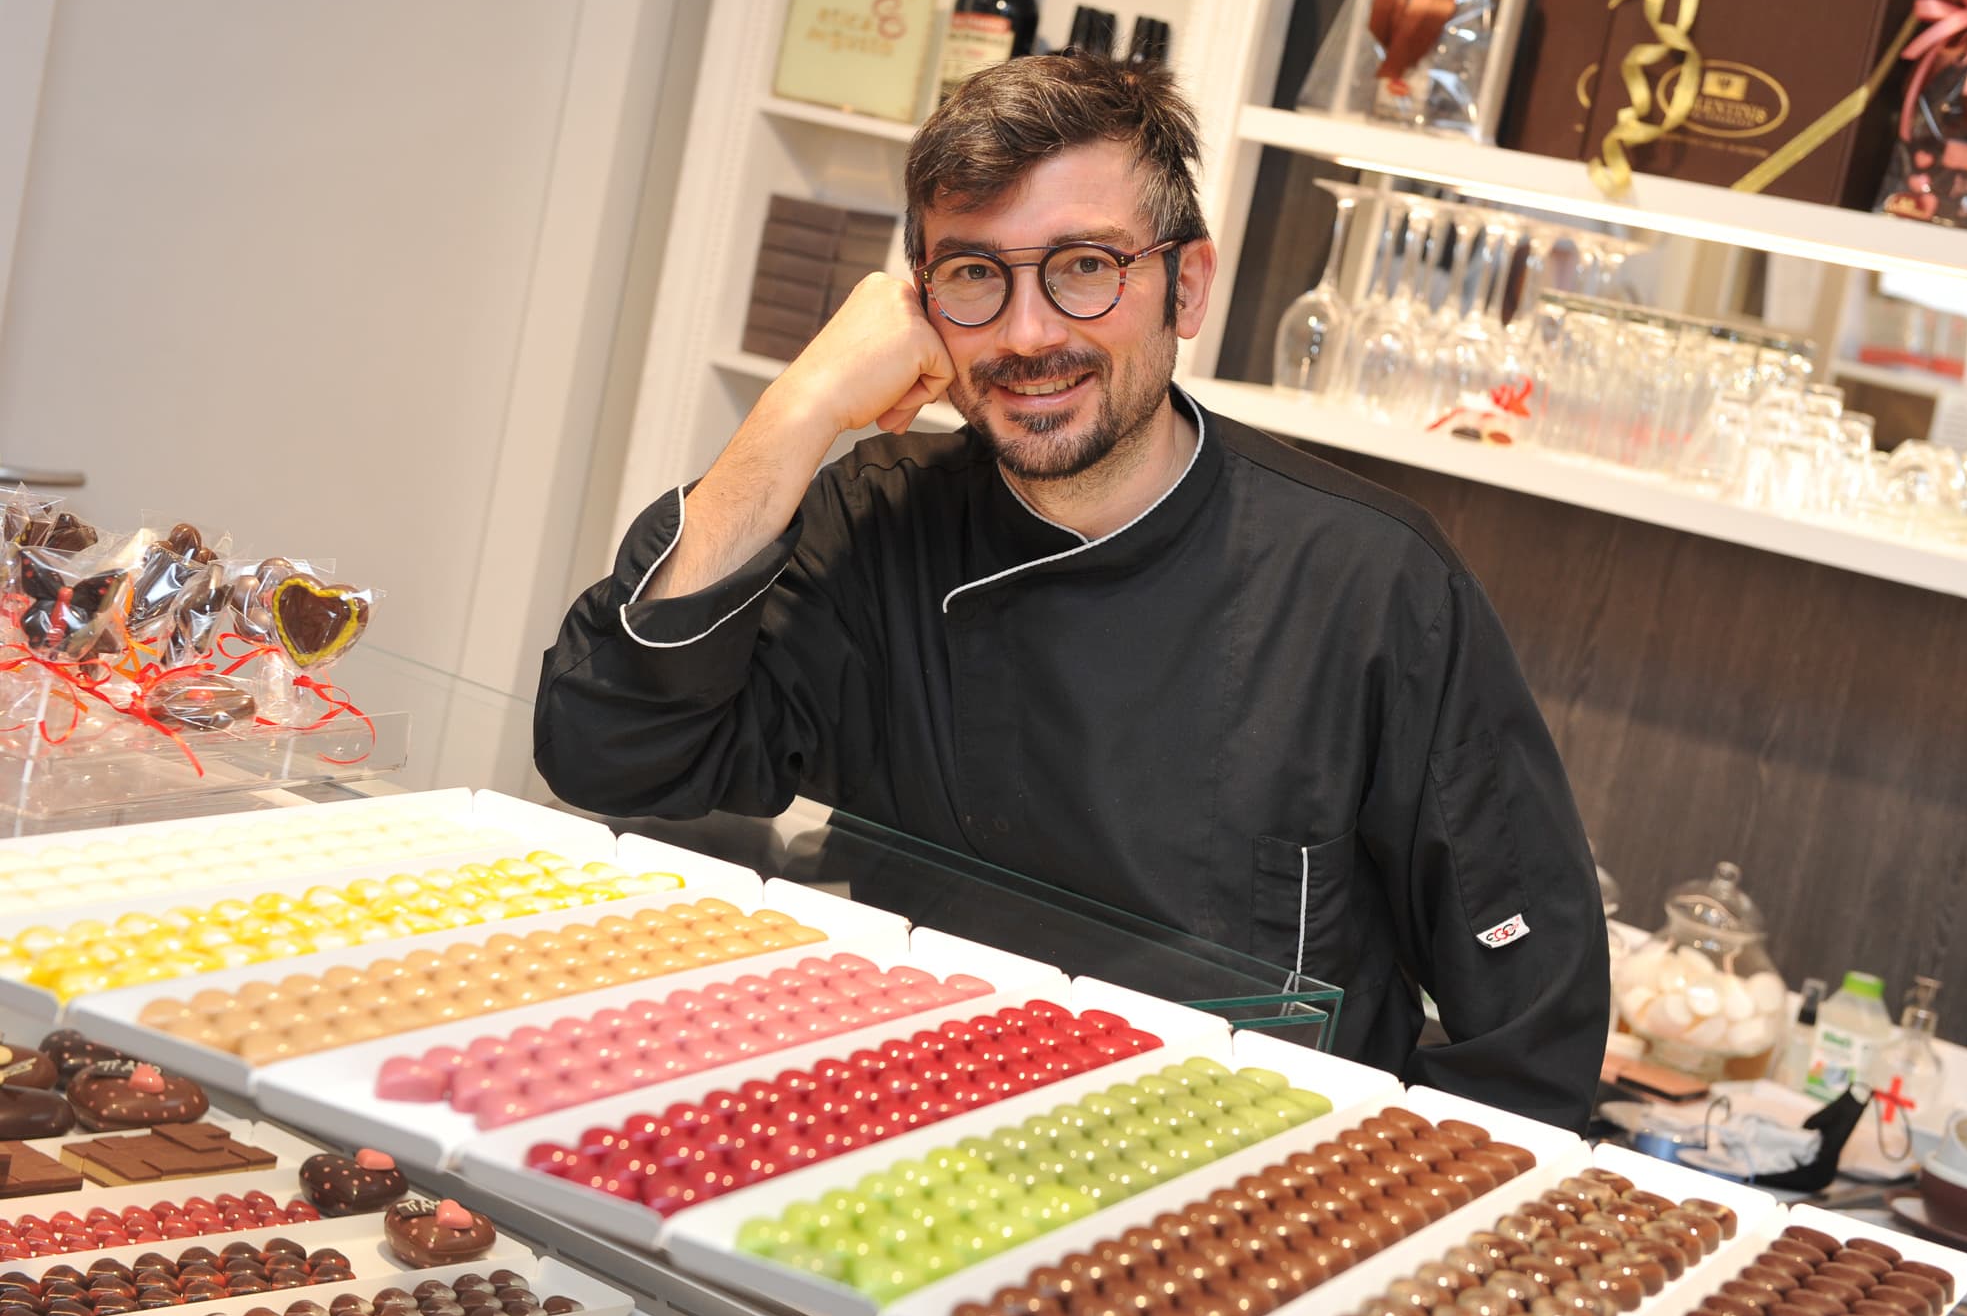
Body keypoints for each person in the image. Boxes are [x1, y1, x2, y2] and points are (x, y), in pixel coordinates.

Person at [535, 54, 1609, 1130]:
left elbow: (1528, 1032)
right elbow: (611, 749)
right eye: (972, 274)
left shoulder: (1369, 579)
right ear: (919, 302)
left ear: (1185, 285)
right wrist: (800, 403)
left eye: (1084, 265)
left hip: (1237, 1192)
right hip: (912, 1135)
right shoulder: (877, 523)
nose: (1027, 333)